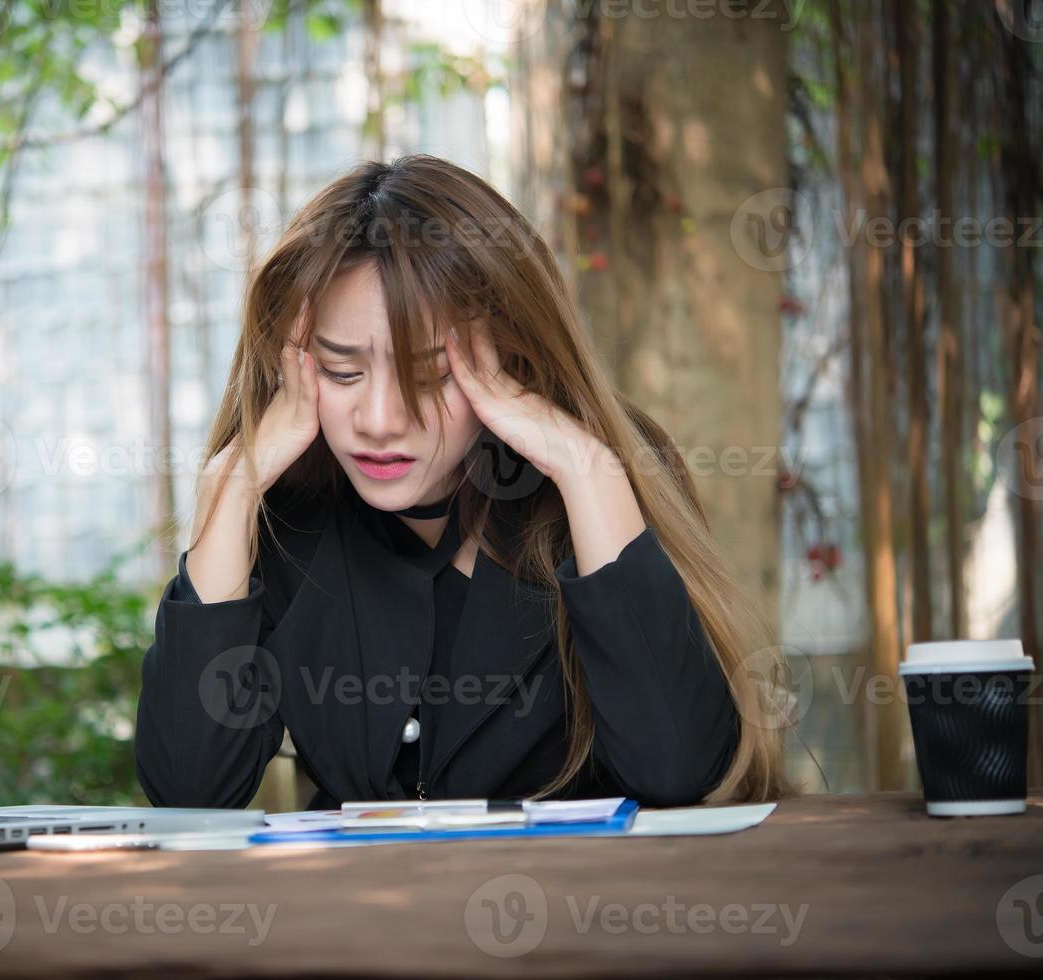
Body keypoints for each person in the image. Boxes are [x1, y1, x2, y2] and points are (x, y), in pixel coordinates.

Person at [134, 153, 794, 811]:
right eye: (342, 374)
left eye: (430, 377)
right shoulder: (284, 511)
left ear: (511, 357)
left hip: (583, 903)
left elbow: (677, 769)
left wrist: (585, 469)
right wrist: (231, 487)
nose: (380, 422)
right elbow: (192, 793)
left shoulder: (594, 477)